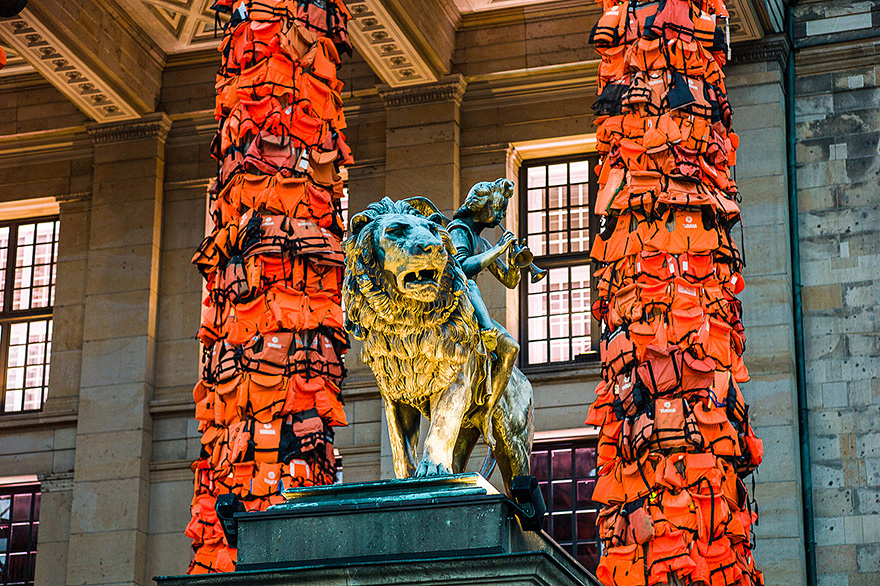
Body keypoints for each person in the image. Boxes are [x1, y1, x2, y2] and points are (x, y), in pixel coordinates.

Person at [447, 178, 523, 448]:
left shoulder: (480, 240)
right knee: (507, 347)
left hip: (473, 303)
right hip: (458, 306)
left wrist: (513, 262)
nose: (501, 215)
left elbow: (508, 280)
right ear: (479, 205)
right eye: (497, 208)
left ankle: (486, 411)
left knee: (510, 349)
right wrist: (498, 249)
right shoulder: (459, 230)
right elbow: (460, 267)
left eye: (504, 209)